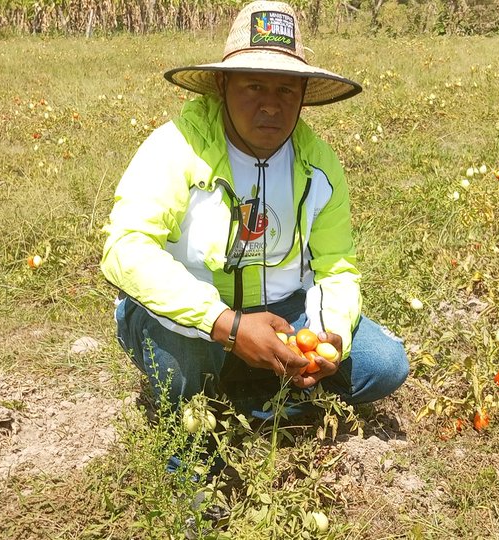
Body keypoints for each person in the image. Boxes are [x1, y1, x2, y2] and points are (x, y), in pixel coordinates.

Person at [101, 1, 409, 424]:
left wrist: (328, 335)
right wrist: (225, 325)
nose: (270, 105)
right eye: (253, 86)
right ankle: (213, 410)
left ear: (303, 97)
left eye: (285, 89)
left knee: (385, 365)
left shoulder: (317, 163)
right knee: (179, 368)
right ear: (223, 86)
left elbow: (337, 269)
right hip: (192, 313)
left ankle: (247, 389)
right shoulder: (176, 147)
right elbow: (125, 250)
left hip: (284, 311)